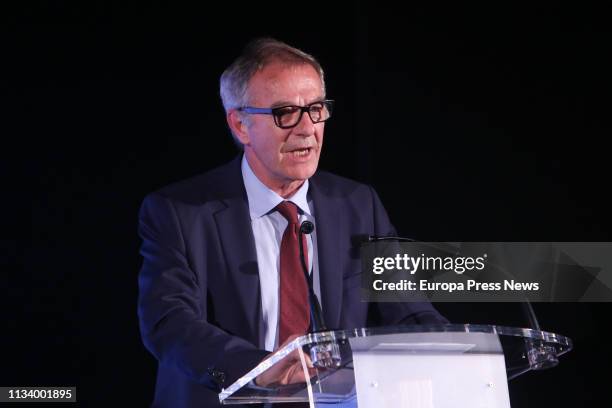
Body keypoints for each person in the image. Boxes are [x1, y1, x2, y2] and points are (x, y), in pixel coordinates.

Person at [137, 38, 447, 408]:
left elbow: (408, 308)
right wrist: (260, 370)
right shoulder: (180, 212)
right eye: (285, 112)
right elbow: (169, 324)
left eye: (316, 109)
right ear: (240, 125)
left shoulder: (357, 204)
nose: (306, 129)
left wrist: (459, 351)